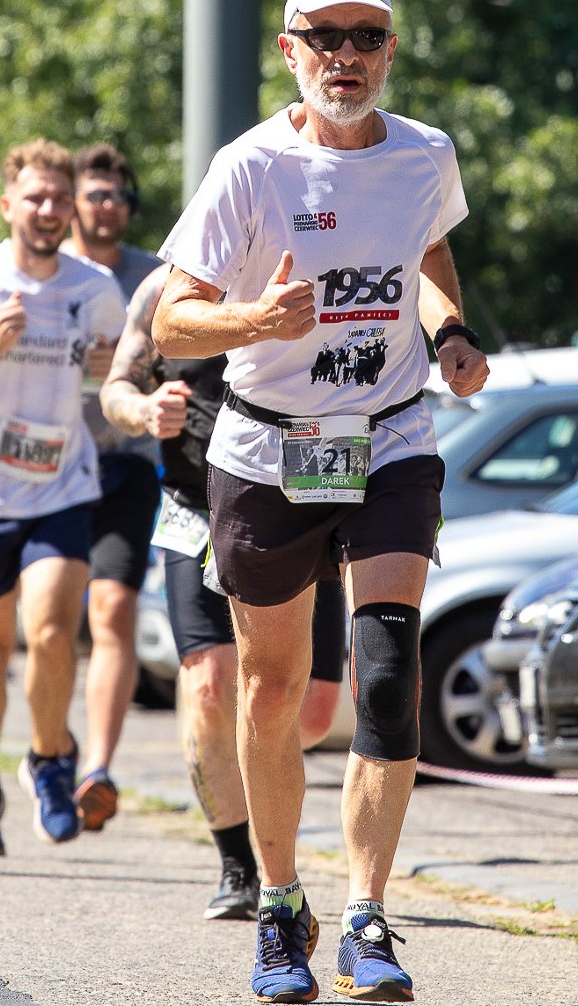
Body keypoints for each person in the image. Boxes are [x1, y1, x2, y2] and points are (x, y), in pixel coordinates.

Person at [154, 0, 489, 1003]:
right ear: (291, 50)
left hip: (388, 434)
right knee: (274, 691)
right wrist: (254, 322)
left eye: (368, 36)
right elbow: (172, 319)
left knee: (387, 669)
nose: (348, 55)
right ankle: (279, 904)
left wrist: (452, 334)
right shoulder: (250, 168)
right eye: (325, 36)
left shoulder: (425, 153)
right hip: (266, 447)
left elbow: (428, 254)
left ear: (390, 48)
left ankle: (368, 915)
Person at [102, 262, 346, 922]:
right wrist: (144, 410)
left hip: (302, 500)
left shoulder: (326, 262)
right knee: (211, 682)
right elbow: (116, 388)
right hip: (195, 506)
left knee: (315, 712)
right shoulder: (169, 287)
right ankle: (239, 864)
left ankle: (266, 815)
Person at [0, 138, 125, 857]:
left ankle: (50, 759)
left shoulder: (93, 286)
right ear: (9, 205)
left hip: (61, 488)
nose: (47, 210)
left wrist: (113, 368)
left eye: (58, 199)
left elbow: (123, 369)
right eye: (34, 198)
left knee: (48, 632)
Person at [60, 142, 166, 830]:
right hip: (48, 468)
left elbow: (187, 368)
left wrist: (132, 368)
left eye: (119, 198)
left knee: (111, 614)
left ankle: (96, 767)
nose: (109, 209)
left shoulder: (154, 277)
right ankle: (50, 744)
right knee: (46, 626)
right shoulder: (44, 273)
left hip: (126, 463)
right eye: (96, 196)